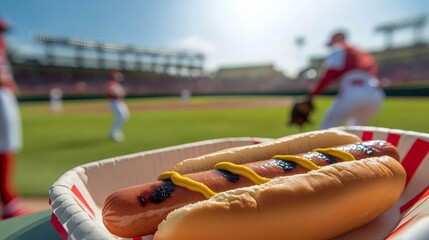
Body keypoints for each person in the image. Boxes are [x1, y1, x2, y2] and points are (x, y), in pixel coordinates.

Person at [308, 31, 385, 129]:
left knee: (327, 127)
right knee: (357, 132)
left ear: (335, 40)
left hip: (353, 91)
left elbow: (330, 74)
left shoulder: (338, 48)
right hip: (375, 95)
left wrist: (312, 94)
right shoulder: (362, 52)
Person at [0, 18, 28, 219]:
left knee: (8, 144)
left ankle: (9, 201)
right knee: (5, 145)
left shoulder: (2, 44)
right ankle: (9, 203)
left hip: (5, 92)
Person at [106, 70, 129, 142]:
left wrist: (120, 92)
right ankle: (113, 133)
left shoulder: (116, 84)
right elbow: (114, 92)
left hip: (119, 101)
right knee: (121, 116)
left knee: (125, 116)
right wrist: (119, 93)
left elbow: (122, 93)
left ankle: (115, 131)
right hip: (114, 102)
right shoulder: (111, 83)